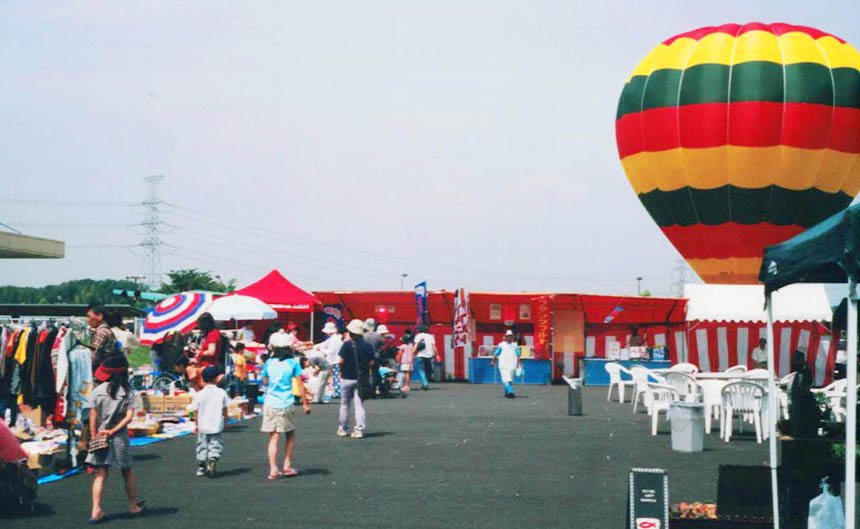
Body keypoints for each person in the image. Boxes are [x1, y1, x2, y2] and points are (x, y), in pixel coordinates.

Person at [86, 355, 143, 523]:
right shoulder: (129, 393)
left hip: (100, 436)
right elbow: (129, 417)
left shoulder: (97, 391)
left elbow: (92, 415)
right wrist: (112, 431)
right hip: (118, 437)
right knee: (127, 470)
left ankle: (96, 510)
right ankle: (132, 505)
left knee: (100, 473)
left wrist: (95, 434)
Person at [261, 344, 311, 479]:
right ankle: (287, 466)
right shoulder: (293, 363)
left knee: (273, 437)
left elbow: (265, 382)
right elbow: (300, 384)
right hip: (286, 402)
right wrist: (305, 403)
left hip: (271, 402)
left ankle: (273, 469)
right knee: (290, 434)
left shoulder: (269, 363)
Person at [190, 366, 230, 478]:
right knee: (215, 443)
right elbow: (225, 409)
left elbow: (195, 411)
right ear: (216, 379)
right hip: (216, 424)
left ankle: (201, 465)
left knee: (202, 444)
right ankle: (213, 458)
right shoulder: (221, 392)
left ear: (202, 379)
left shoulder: (199, 394)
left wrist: (196, 424)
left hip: (203, 425)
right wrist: (226, 422)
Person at [337, 319, 374, 438]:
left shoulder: (347, 344)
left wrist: (342, 369)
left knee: (344, 404)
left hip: (346, 377)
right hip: (360, 378)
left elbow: (340, 361)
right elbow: (372, 362)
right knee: (359, 405)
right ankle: (358, 430)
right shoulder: (367, 345)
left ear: (351, 332)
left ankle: (342, 428)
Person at [87, 304, 118, 372]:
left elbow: (93, 355)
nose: (87, 320)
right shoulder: (105, 330)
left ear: (100, 316)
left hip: (103, 372)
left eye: (89, 317)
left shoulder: (101, 332)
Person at [490, 330, 521, 398]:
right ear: (505, 337)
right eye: (508, 336)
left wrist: (519, 364)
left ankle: (506, 392)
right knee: (506, 379)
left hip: (512, 365)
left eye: (511, 336)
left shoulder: (515, 345)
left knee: (510, 380)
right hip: (503, 365)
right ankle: (511, 392)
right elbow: (496, 353)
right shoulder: (501, 345)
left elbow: (518, 355)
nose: (510, 338)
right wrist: (493, 361)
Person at [319, 322, 343, 399]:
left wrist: (321, 349)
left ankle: (337, 393)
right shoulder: (335, 338)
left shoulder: (334, 339)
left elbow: (331, 351)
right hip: (336, 360)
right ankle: (337, 392)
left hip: (335, 360)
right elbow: (324, 344)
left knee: (336, 377)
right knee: (336, 377)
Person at [413, 325, 439, 390]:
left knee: (421, 370)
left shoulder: (418, 336)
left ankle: (425, 383)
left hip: (420, 355)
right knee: (428, 370)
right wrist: (437, 355)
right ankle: (425, 382)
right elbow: (435, 348)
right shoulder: (430, 336)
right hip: (429, 355)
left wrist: (412, 353)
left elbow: (416, 346)